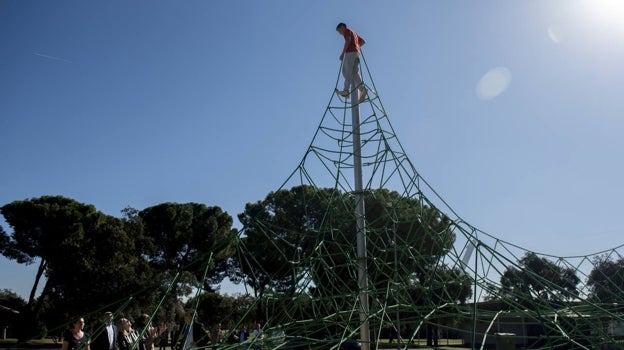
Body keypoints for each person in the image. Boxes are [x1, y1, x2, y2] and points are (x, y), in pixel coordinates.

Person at [335, 22, 367, 102]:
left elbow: (348, 40)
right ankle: (362, 89)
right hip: (356, 53)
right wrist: (356, 46)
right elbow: (362, 42)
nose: (340, 34)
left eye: (339, 31)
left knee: (346, 72)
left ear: (342, 27)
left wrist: (343, 53)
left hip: (350, 53)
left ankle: (346, 91)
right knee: (354, 73)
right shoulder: (354, 33)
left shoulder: (347, 31)